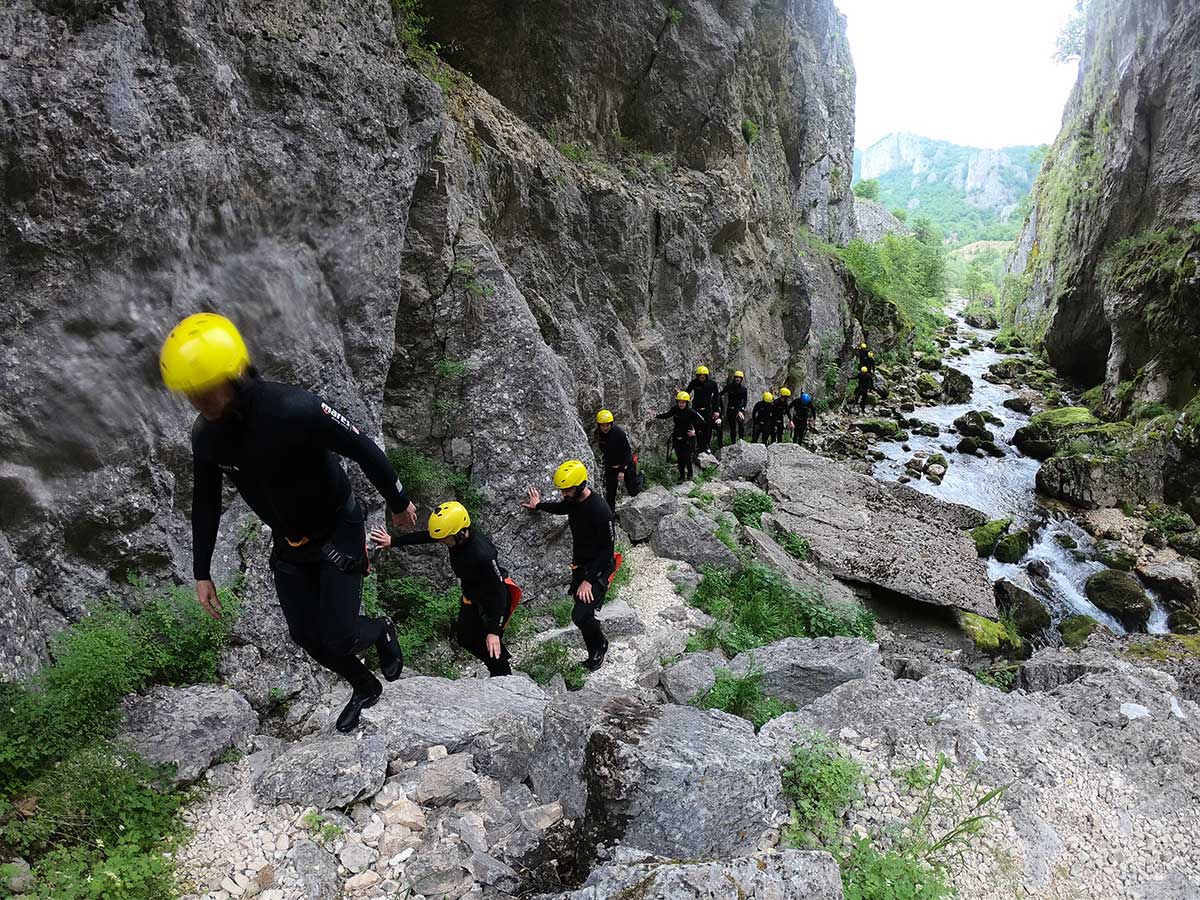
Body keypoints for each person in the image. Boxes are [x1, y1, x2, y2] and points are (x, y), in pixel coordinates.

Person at [160, 313, 417, 734]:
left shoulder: (294, 409)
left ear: (231, 374)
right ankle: (365, 685)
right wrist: (201, 571)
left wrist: (399, 500)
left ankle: (381, 629)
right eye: (188, 390)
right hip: (289, 541)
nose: (195, 398)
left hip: (337, 527)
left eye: (202, 387)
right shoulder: (207, 437)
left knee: (339, 636)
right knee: (305, 635)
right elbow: (205, 500)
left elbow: (362, 447)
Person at [369, 501, 513, 677]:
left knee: (490, 643)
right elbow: (429, 536)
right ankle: (497, 664)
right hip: (472, 597)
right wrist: (393, 541)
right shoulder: (454, 537)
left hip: (493, 601)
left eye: (445, 538)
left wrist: (494, 631)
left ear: (460, 533)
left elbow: (499, 590)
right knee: (465, 638)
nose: (441, 541)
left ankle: (503, 676)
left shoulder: (482, 554)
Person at [522, 461, 616, 671]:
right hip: (581, 566)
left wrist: (589, 581)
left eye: (567, 490)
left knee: (579, 615)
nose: (564, 494)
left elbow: (607, 551)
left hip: (599, 568)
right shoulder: (573, 501)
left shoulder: (600, 510)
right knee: (584, 613)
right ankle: (597, 642)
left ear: (581, 485)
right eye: (562, 490)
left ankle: (599, 648)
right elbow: (561, 508)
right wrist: (538, 505)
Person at [594, 409, 641, 512]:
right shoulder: (599, 434)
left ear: (611, 424)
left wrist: (622, 470)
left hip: (626, 463)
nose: (605, 428)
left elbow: (627, 452)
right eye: (602, 425)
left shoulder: (618, 433)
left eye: (607, 425)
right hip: (611, 466)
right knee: (610, 493)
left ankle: (641, 478)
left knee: (633, 491)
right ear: (599, 425)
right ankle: (611, 514)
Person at [655, 390, 706, 482]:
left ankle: (690, 475)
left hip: (688, 438)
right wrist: (656, 415)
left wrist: (695, 432)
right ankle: (682, 477)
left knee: (687, 457)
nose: (681, 404)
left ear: (687, 403)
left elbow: (702, 422)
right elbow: (666, 415)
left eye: (683, 402)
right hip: (677, 436)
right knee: (680, 459)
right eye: (679, 402)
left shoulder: (691, 411)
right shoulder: (675, 409)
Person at [685, 365, 722, 456]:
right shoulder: (694, 383)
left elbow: (716, 397)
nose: (701, 377)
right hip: (696, 408)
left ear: (706, 376)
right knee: (698, 428)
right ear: (697, 376)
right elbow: (687, 392)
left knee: (708, 428)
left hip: (707, 409)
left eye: (703, 376)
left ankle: (707, 445)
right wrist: (680, 394)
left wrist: (716, 410)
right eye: (700, 376)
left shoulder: (712, 384)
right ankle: (700, 447)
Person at [718, 371, 748, 447]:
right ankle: (733, 443)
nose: (738, 379)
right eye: (736, 377)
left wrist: (741, 410)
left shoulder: (743, 389)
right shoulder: (729, 386)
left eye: (739, 378)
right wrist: (718, 404)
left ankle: (741, 442)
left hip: (738, 410)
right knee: (732, 427)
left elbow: (745, 401)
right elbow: (720, 394)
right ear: (734, 378)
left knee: (741, 424)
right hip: (730, 409)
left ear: (741, 379)